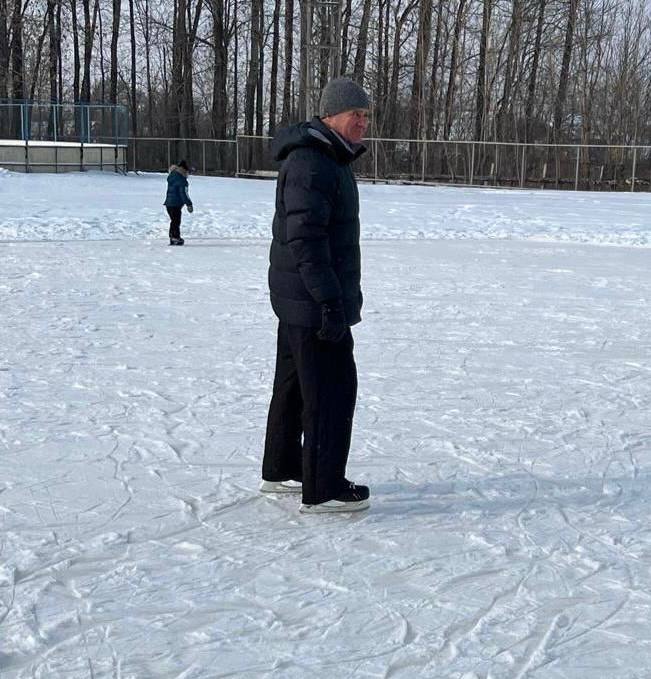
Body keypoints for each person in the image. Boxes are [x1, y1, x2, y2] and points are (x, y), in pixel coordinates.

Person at [260, 77, 371, 514]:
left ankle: (283, 468)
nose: (363, 122)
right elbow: (305, 239)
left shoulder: (327, 157)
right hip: (313, 301)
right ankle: (323, 488)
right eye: (355, 115)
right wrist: (329, 302)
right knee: (330, 389)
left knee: (294, 387)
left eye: (366, 115)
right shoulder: (315, 162)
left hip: (297, 298)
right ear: (330, 116)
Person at [164, 159, 193, 246]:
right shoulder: (182, 180)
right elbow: (184, 193)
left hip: (169, 203)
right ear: (184, 171)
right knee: (176, 221)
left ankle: (173, 236)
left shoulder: (172, 176)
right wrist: (189, 204)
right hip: (175, 203)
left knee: (174, 221)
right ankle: (175, 237)